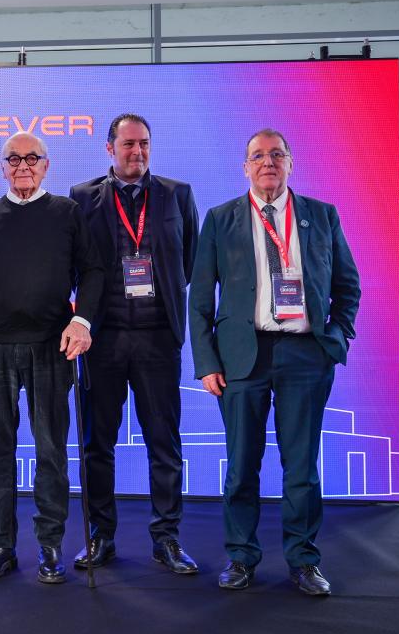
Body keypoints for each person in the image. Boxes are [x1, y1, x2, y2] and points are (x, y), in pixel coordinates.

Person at [189, 128, 360, 596]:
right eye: (258, 156)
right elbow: (201, 299)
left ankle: (304, 561)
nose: (268, 162)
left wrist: (337, 336)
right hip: (242, 357)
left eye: (277, 154)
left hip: (306, 355)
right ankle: (241, 558)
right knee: (242, 465)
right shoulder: (221, 219)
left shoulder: (321, 216)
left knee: (300, 466)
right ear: (245, 167)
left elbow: (348, 286)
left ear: (290, 163)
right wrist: (206, 361)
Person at [0, 132, 104, 584]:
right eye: (13, 159)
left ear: (47, 165)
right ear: (2, 167)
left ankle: (49, 547)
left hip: (51, 346)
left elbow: (94, 271)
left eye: (32, 158)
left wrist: (81, 321)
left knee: (50, 450)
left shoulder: (67, 212)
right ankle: (0, 546)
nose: (23, 165)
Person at [69, 114, 200, 574]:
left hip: (158, 339)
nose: (137, 152)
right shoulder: (83, 197)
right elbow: (78, 264)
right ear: (110, 149)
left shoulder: (177, 195)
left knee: (163, 442)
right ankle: (101, 536)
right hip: (101, 340)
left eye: (144, 144)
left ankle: (166, 538)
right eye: (128, 145)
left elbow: (189, 262)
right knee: (96, 444)